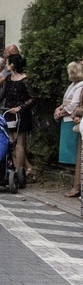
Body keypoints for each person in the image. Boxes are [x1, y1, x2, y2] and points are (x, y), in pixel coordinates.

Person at [0, 53, 36, 181]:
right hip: (8, 112)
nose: (6, 65)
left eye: (8, 63)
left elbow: (33, 97)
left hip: (20, 113)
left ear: (12, 65)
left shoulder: (25, 79)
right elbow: (1, 94)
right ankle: (12, 167)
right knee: (10, 141)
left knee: (20, 142)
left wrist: (20, 107)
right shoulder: (8, 79)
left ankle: (19, 171)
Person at [55, 61, 83, 197]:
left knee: (76, 155)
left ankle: (77, 185)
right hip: (68, 118)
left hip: (73, 119)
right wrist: (59, 109)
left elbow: (74, 104)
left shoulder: (80, 85)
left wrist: (62, 112)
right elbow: (67, 101)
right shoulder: (73, 85)